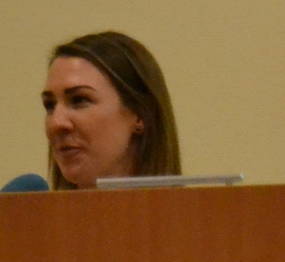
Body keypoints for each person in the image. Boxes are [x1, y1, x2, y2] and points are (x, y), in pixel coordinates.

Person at [40, 31, 181, 189]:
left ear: (140, 114)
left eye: (79, 100)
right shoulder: (30, 205)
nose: (56, 123)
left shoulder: (193, 205)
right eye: (50, 105)